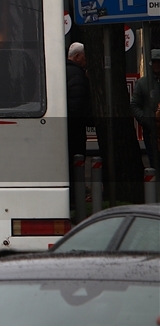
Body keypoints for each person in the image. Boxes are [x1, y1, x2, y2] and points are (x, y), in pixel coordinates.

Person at [66, 43, 92, 207]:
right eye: (84, 56)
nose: (87, 60)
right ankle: (75, 201)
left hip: (67, 131)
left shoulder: (63, 71)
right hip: (74, 132)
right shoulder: (77, 75)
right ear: (77, 57)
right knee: (76, 164)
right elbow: (77, 106)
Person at [131, 50, 160, 171]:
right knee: (154, 161)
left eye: (159, 62)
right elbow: (134, 105)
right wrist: (146, 120)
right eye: (154, 62)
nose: (157, 65)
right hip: (151, 130)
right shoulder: (142, 83)